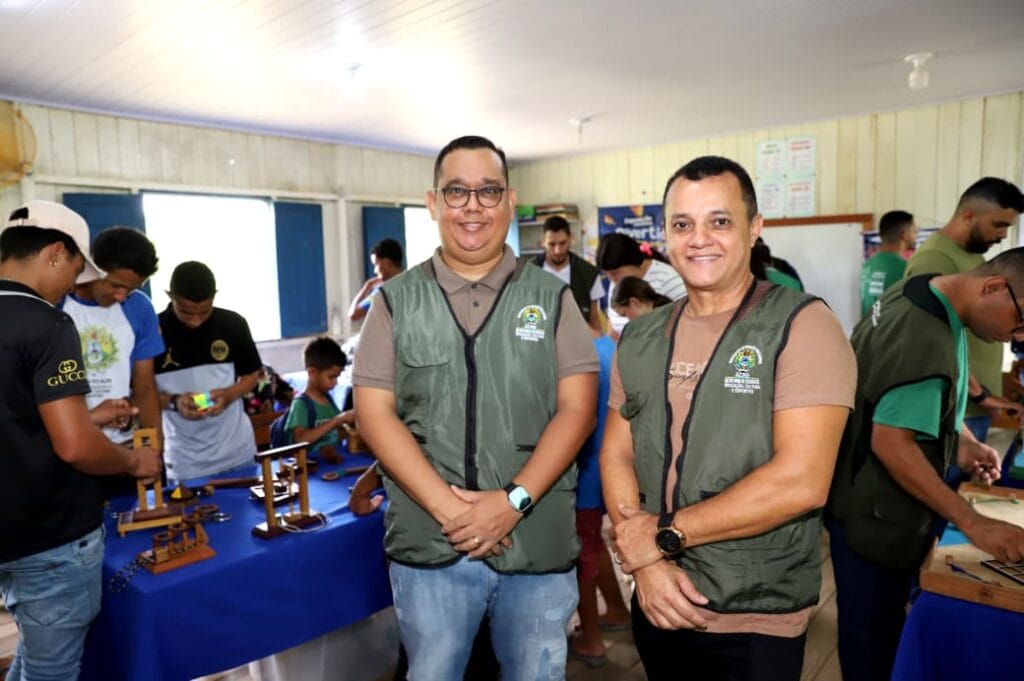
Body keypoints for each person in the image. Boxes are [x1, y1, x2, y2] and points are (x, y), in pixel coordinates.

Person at [600, 156, 856, 680]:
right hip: (657, 598)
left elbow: (802, 482)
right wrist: (646, 561)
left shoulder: (803, 326)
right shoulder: (642, 336)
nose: (699, 239)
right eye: (682, 224)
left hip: (754, 612)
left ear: (754, 228)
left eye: (719, 221)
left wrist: (663, 537)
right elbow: (618, 451)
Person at [353, 134, 598, 680]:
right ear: (433, 201)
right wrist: (452, 511)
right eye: (456, 191)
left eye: (488, 191)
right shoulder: (393, 303)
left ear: (510, 201)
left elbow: (577, 411)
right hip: (429, 547)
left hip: (534, 546)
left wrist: (511, 502)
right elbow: (375, 415)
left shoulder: (553, 299)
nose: (472, 206)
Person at [826, 250, 1024, 681]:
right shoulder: (925, 336)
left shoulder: (924, 289)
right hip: (873, 515)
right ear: (993, 287)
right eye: (1020, 321)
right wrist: (974, 522)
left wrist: (963, 442)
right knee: (872, 644)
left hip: (854, 496)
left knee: (871, 630)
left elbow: (900, 401)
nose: (1016, 337)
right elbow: (892, 443)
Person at [0, 201, 161, 680]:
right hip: (51, 534)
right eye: (74, 268)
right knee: (54, 668)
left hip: (8, 531)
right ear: (54, 252)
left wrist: (85, 416)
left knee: (34, 654)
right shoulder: (47, 322)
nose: (73, 283)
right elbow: (73, 446)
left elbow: (18, 421)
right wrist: (134, 463)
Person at [905, 177, 1024, 443]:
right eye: (999, 224)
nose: (1004, 234)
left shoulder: (973, 254)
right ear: (968, 215)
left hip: (974, 405)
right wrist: (979, 393)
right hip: (955, 412)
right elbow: (929, 343)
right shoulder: (936, 258)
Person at [154, 261, 263, 485]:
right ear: (169, 296)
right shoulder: (153, 331)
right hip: (185, 461)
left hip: (238, 452)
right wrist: (175, 402)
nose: (195, 321)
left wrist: (229, 394)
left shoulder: (233, 324)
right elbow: (141, 396)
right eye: (186, 312)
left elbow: (252, 376)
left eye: (204, 312)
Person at [61, 227, 165, 449]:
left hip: (123, 444)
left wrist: (154, 447)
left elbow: (144, 386)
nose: (122, 296)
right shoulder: (58, 303)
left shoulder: (139, 307)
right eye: (117, 286)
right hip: (69, 442)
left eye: (130, 290)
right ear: (94, 267)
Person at [569, 326, 631, 667]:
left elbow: (578, 419)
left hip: (586, 471)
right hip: (605, 467)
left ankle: (592, 640)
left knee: (581, 555)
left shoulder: (578, 352)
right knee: (592, 545)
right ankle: (618, 611)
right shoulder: (605, 343)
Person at [596, 232, 685, 336]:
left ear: (634, 261)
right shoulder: (617, 282)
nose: (611, 279)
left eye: (615, 273)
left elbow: (689, 325)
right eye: (607, 274)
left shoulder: (669, 279)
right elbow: (614, 327)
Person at [283, 336, 354, 457]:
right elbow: (300, 440)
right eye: (331, 377)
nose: (335, 383)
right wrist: (336, 420)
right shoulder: (301, 404)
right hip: (310, 471)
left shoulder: (328, 400)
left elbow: (337, 433)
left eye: (337, 377)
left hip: (330, 466)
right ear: (312, 373)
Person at [532, 215, 604, 331]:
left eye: (562, 243)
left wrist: (600, 345)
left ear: (571, 239)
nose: (557, 250)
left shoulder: (589, 274)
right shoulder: (528, 272)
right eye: (552, 244)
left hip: (577, 340)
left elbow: (594, 318)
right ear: (543, 242)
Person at [860, 210, 917, 317]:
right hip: (889, 332)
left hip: (867, 331)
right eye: (914, 232)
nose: (916, 236)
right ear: (904, 235)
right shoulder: (904, 267)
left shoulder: (868, 264)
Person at [348, 238, 404, 323]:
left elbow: (353, 314)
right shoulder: (414, 283)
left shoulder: (383, 291)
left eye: (376, 265)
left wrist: (368, 286)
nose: (375, 271)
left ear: (386, 263)